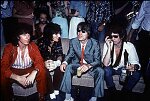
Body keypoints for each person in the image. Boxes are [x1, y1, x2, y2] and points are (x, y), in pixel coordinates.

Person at [1, 23, 47, 101]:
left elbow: (39, 61)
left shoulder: (33, 46)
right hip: (14, 70)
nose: (27, 37)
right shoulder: (9, 47)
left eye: (28, 34)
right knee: (2, 75)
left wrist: (34, 72)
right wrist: (17, 77)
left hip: (29, 69)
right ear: (17, 36)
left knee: (42, 70)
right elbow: (3, 66)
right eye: (24, 35)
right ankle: (7, 97)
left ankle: (41, 95)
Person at [60, 22, 104, 101]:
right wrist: (64, 62)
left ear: (88, 33)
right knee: (69, 67)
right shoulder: (73, 41)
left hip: (90, 66)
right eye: (78, 31)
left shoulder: (94, 43)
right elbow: (69, 54)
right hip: (78, 64)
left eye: (83, 31)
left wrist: (88, 66)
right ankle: (68, 96)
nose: (79, 33)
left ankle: (94, 97)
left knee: (100, 71)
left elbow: (98, 60)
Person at [102, 16, 141, 99]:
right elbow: (105, 64)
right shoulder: (108, 44)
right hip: (111, 68)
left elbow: (136, 63)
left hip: (123, 69)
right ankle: (112, 91)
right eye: (111, 36)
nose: (113, 39)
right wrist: (109, 47)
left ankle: (124, 92)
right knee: (106, 70)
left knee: (137, 74)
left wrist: (133, 67)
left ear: (122, 36)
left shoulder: (129, 46)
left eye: (115, 36)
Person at [127, 1, 150, 96]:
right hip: (145, 35)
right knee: (141, 62)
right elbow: (139, 18)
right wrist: (131, 32)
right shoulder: (146, 2)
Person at [36, 23, 63, 100]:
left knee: (60, 67)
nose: (59, 36)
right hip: (44, 62)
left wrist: (57, 62)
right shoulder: (41, 42)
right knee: (44, 71)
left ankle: (56, 89)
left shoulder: (58, 40)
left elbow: (60, 53)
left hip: (54, 60)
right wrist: (45, 63)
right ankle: (50, 92)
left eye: (59, 33)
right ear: (49, 34)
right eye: (56, 34)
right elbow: (38, 58)